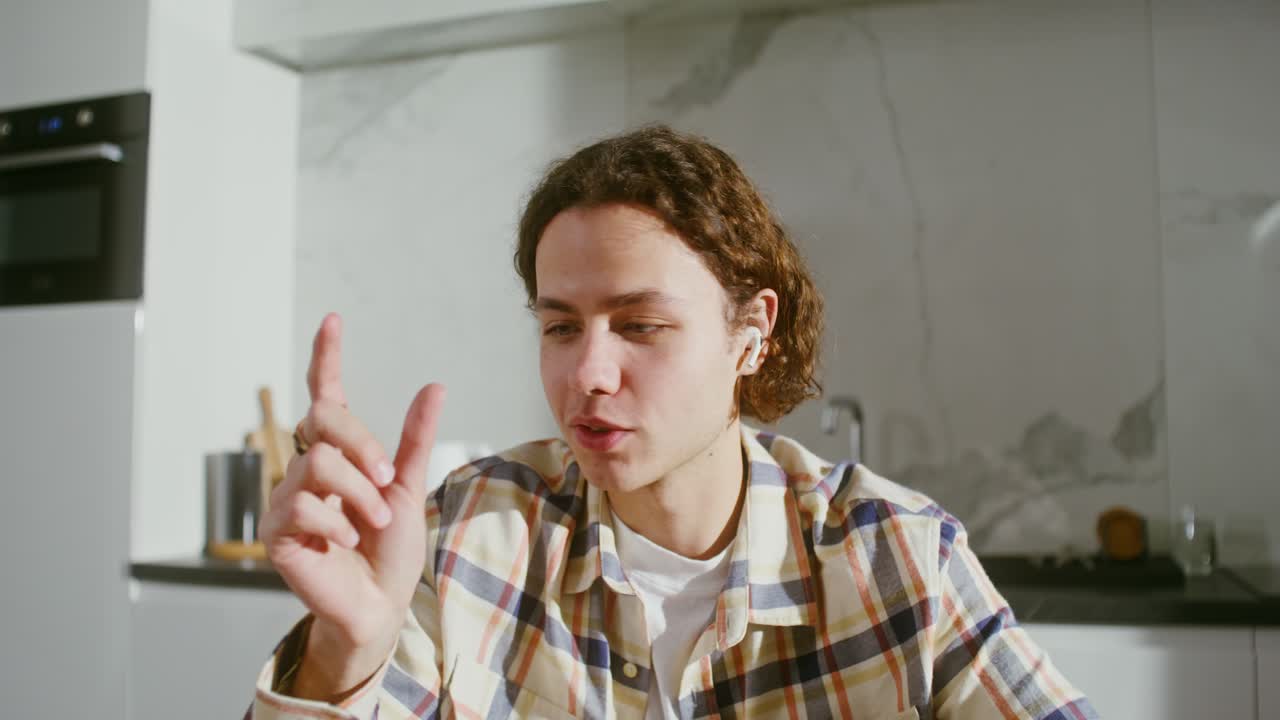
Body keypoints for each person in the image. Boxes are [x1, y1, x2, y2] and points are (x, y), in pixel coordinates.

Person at [249, 126, 1097, 719]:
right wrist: (346, 652)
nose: (587, 371)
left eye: (642, 326)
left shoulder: (899, 559)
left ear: (750, 335)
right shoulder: (470, 535)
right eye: (560, 327)